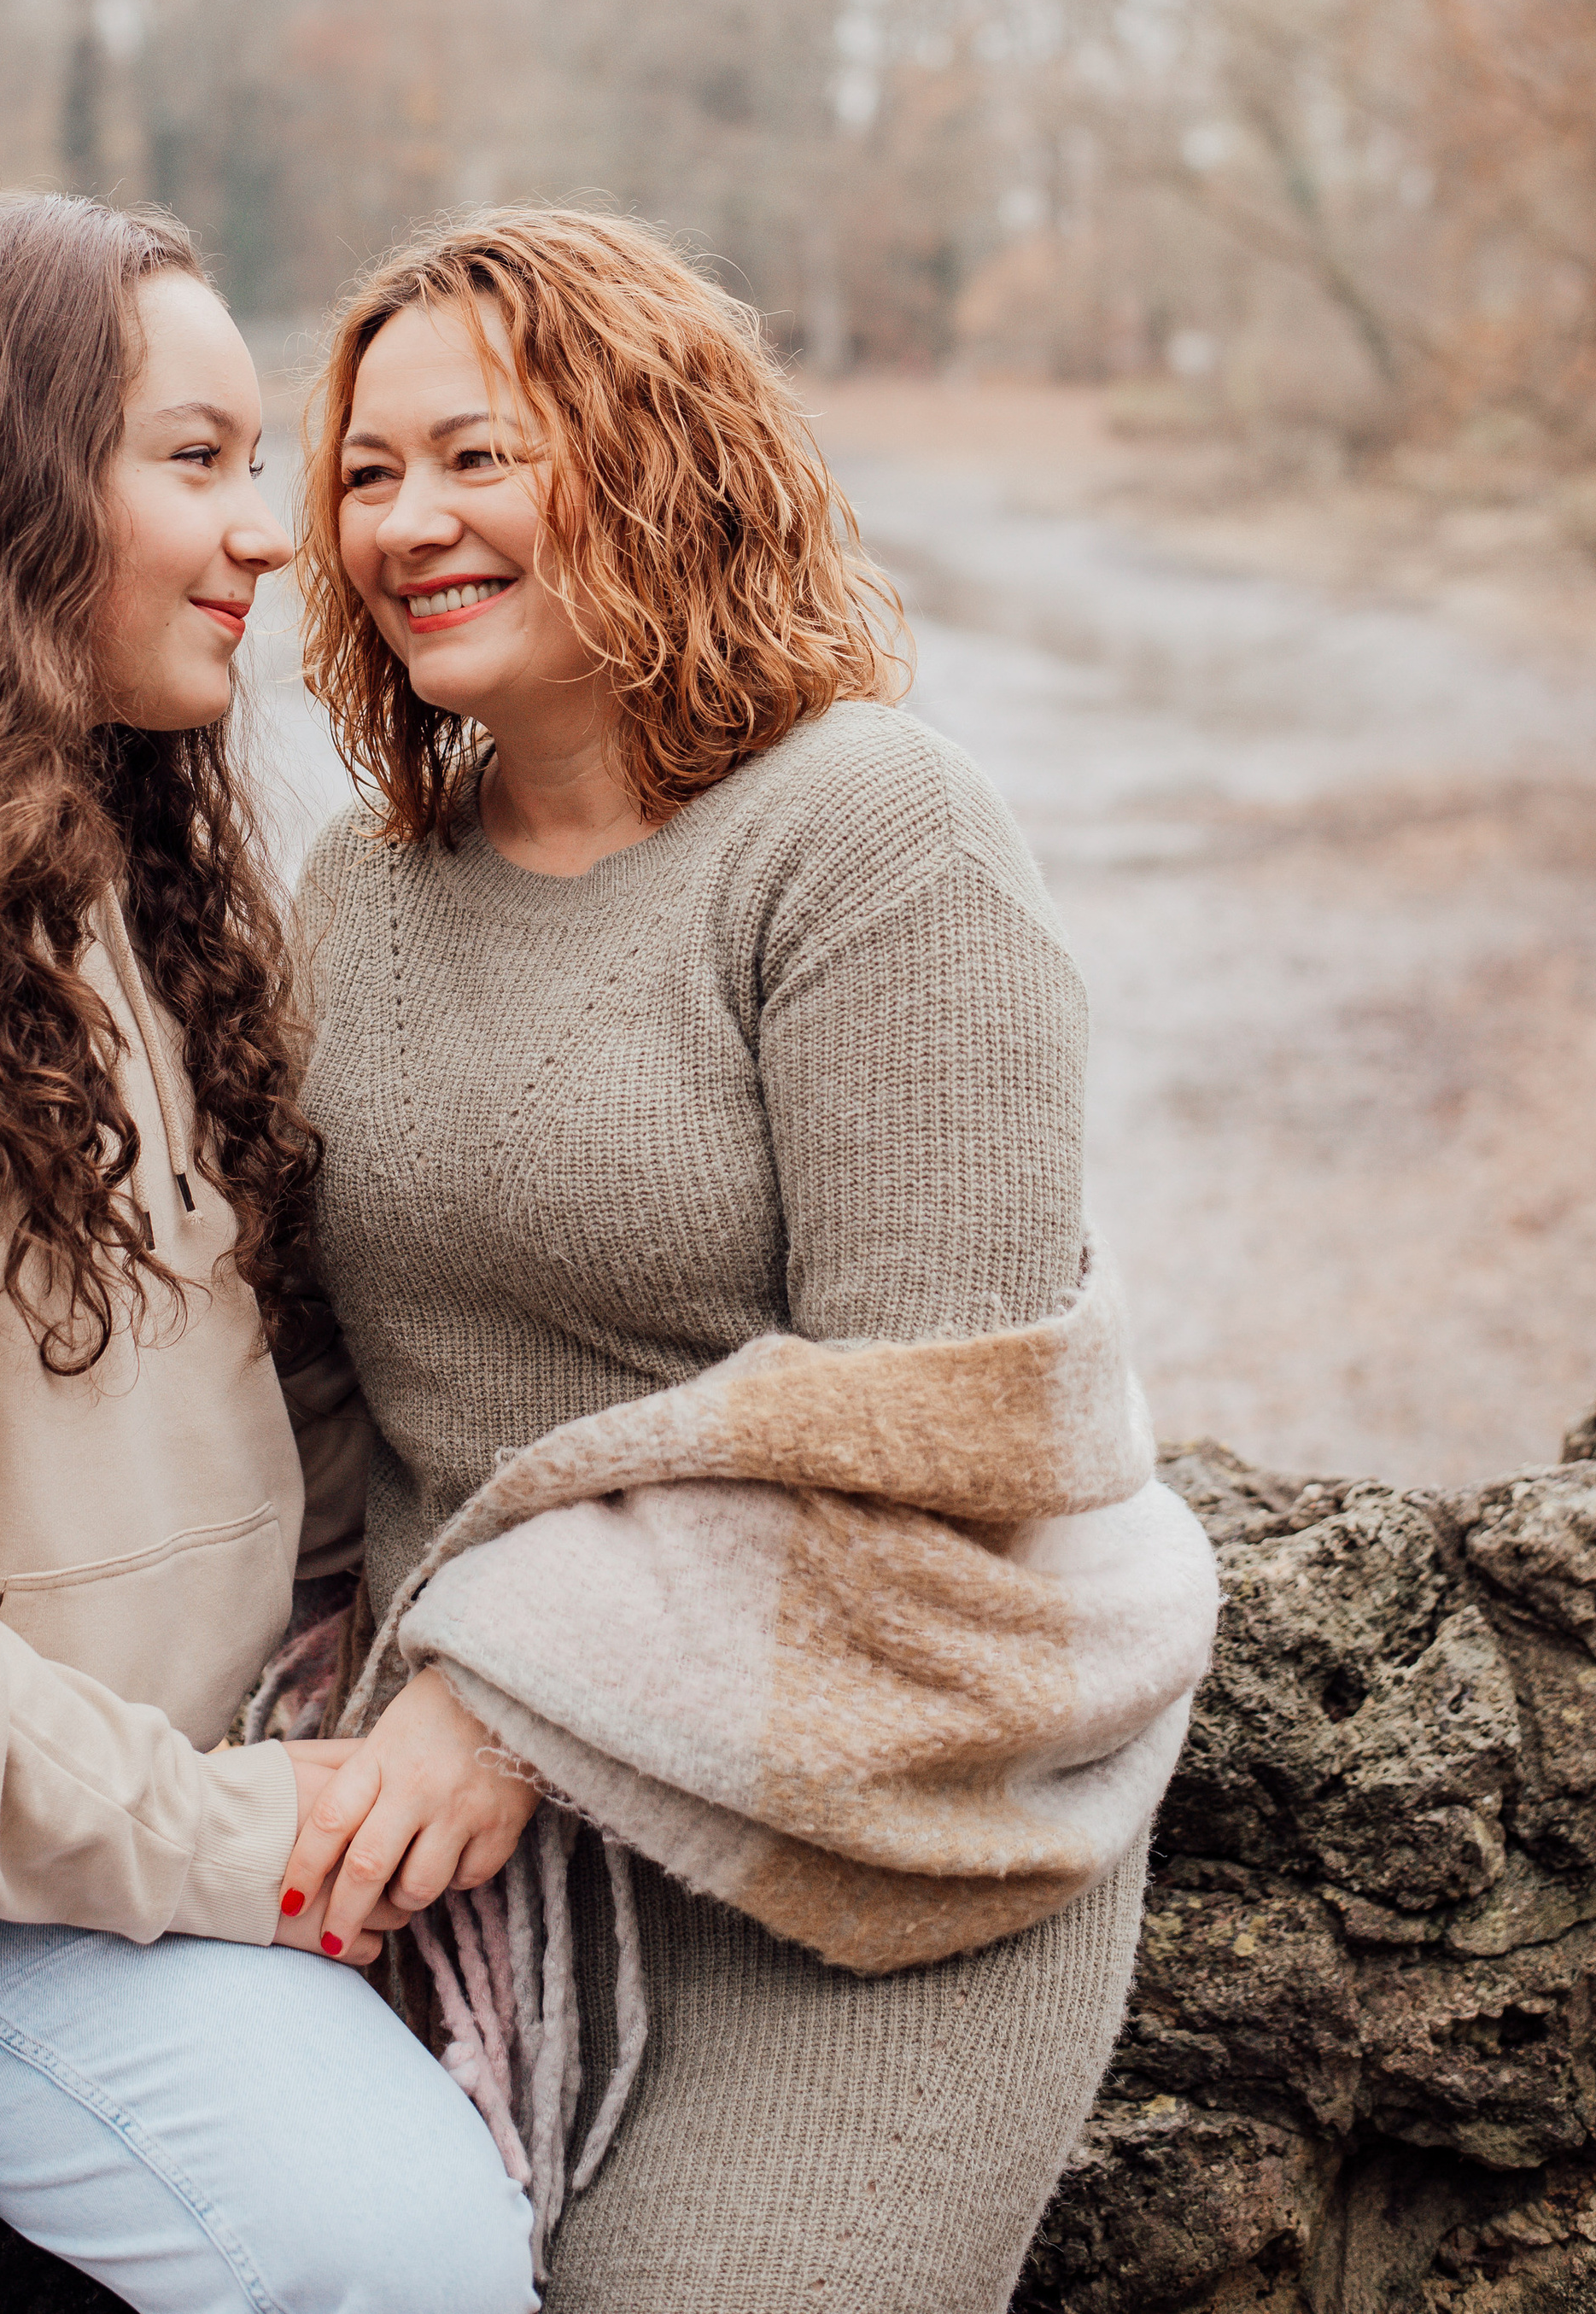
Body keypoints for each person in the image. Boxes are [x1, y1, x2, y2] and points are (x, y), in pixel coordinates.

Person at [279, 208, 1208, 2314]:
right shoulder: (359, 883)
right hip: (462, 1859)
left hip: (864, 1844)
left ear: (657, 462)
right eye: (365, 473)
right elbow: (300, 1380)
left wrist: (509, 1696)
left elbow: (952, 1438)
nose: (406, 523)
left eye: (478, 457)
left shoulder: (869, 833)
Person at [0, 196, 535, 2314]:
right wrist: (234, 1841)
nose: (271, 536)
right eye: (194, 459)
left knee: (420, 2262)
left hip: (66, 1862)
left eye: (261, 464)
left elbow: (300, 1395)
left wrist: (499, 1673)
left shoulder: (122, 873)